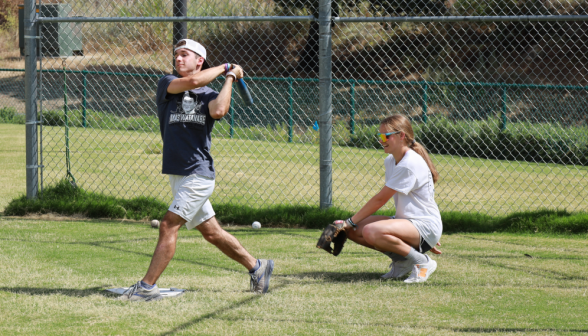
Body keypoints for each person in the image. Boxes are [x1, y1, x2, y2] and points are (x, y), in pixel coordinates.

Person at [119, 39, 274, 301]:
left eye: (185, 55)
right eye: (176, 55)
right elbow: (192, 83)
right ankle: (258, 268)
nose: (178, 59)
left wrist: (229, 79)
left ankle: (146, 287)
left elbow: (219, 110)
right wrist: (227, 66)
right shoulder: (167, 84)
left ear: (199, 61)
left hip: (198, 174)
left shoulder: (210, 94)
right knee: (212, 233)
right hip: (178, 174)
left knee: (168, 225)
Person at [337, 114, 442, 283]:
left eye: (386, 136)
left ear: (402, 136)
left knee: (369, 230)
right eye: (380, 136)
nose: (381, 140)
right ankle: (404, 260)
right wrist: (347, 224)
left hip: (423, 225)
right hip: (410, 223)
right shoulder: (390, 161)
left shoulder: (410, 163)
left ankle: (422, 262)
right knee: (349, 230)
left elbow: (381, 200)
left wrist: (349, 220)